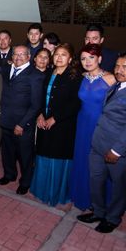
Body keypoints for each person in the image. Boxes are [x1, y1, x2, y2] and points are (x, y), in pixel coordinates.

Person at [78, 52, 126, 233]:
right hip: (98, 144)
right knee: (96, 180)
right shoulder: (119, 84)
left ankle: (112, 218)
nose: (120, 70)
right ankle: (98, 211)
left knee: (119, 187)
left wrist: (117, 151)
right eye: (118, 66)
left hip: (118, 151)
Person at [31, 44, 82, 207]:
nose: (59, 57)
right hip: (45, 121)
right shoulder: (49, 73)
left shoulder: (75, 77)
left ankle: (55, 194)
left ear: (70, 58)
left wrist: (55, 118)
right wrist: (39, 114)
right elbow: (41, 97)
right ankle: (41, 189)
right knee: (44, 152)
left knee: (57, 155)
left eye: (64, 55)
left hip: (63, 126)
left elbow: (75, 103)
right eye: (57, 54)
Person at [70, 44, 116, 211]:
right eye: (83, 58)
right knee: (83, 159)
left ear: (100, 59)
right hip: (82, 124)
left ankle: (102, 201)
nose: (87, 61)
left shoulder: (111, 79)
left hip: (101, 126)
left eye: (91, 57)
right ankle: (83, 196)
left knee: (99, 165)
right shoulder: (81, 77)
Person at [0, 46, 45, 194]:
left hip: (23, 124)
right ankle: (9, 174)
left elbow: (36, 104)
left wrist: (22, 124)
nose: (18, 57)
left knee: (25, 155)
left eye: (22, 54)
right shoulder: (6, 70)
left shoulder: (35, 75)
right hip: (5, 120)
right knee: (7, 152)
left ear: (29, 56)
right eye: (15, 54)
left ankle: (25, 181)